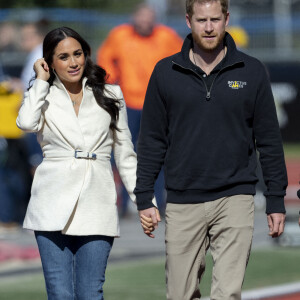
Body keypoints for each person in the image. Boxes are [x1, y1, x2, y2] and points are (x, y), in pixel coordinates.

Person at [135, 1, 287, 299]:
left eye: (215, 19)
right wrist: (144, 196)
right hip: (182, 199)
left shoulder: (252, 71)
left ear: (226, 19)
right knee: (180, 294)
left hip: (236, 197)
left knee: (227, 294)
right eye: (201, 19)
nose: (208, 27)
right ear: (188, 20)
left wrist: (276, 199)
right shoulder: (165, 72)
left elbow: (268, 140)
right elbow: (152, 139)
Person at [17, 26, 157, 300]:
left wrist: (143, 201)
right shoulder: (41, 94)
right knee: (59, 294)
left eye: (77, 54)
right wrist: (41, 80)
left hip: (97, 200)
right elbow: (25, 122)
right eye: (64, 57)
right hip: (50, 203)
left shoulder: (111, 94)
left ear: (86, 54)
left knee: (90, 293)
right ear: (49, 62)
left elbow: (125, 155)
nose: (73, 62)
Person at [97, 3, 183, 216]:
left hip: (158, 104)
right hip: (128, 103)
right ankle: (124, 202)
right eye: (141, 17)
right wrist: (110, 84)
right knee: (125, 152)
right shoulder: (120, 35)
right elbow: (105, 59)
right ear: (134, 17)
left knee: (158, 154)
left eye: (149, 17)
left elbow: (182, 61)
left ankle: (158, 202)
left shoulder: (167, 36)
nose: (145, 22)